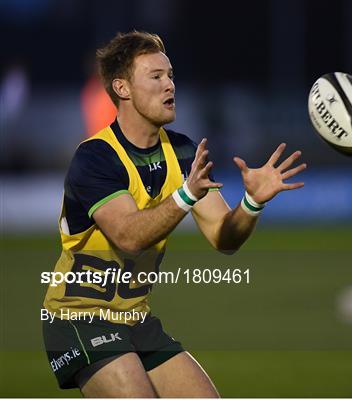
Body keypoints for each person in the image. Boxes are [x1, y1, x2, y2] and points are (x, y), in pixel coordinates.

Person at [42, 31, 306, 397]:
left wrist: (252, 203)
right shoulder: (95, 158)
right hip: (78, 318)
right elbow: (128, 236)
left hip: (135, 318)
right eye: (156, 77)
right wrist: (184, 195)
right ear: (122, 88)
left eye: (171, 75)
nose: (170, 85)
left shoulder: (183, 153)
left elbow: (223, 238)